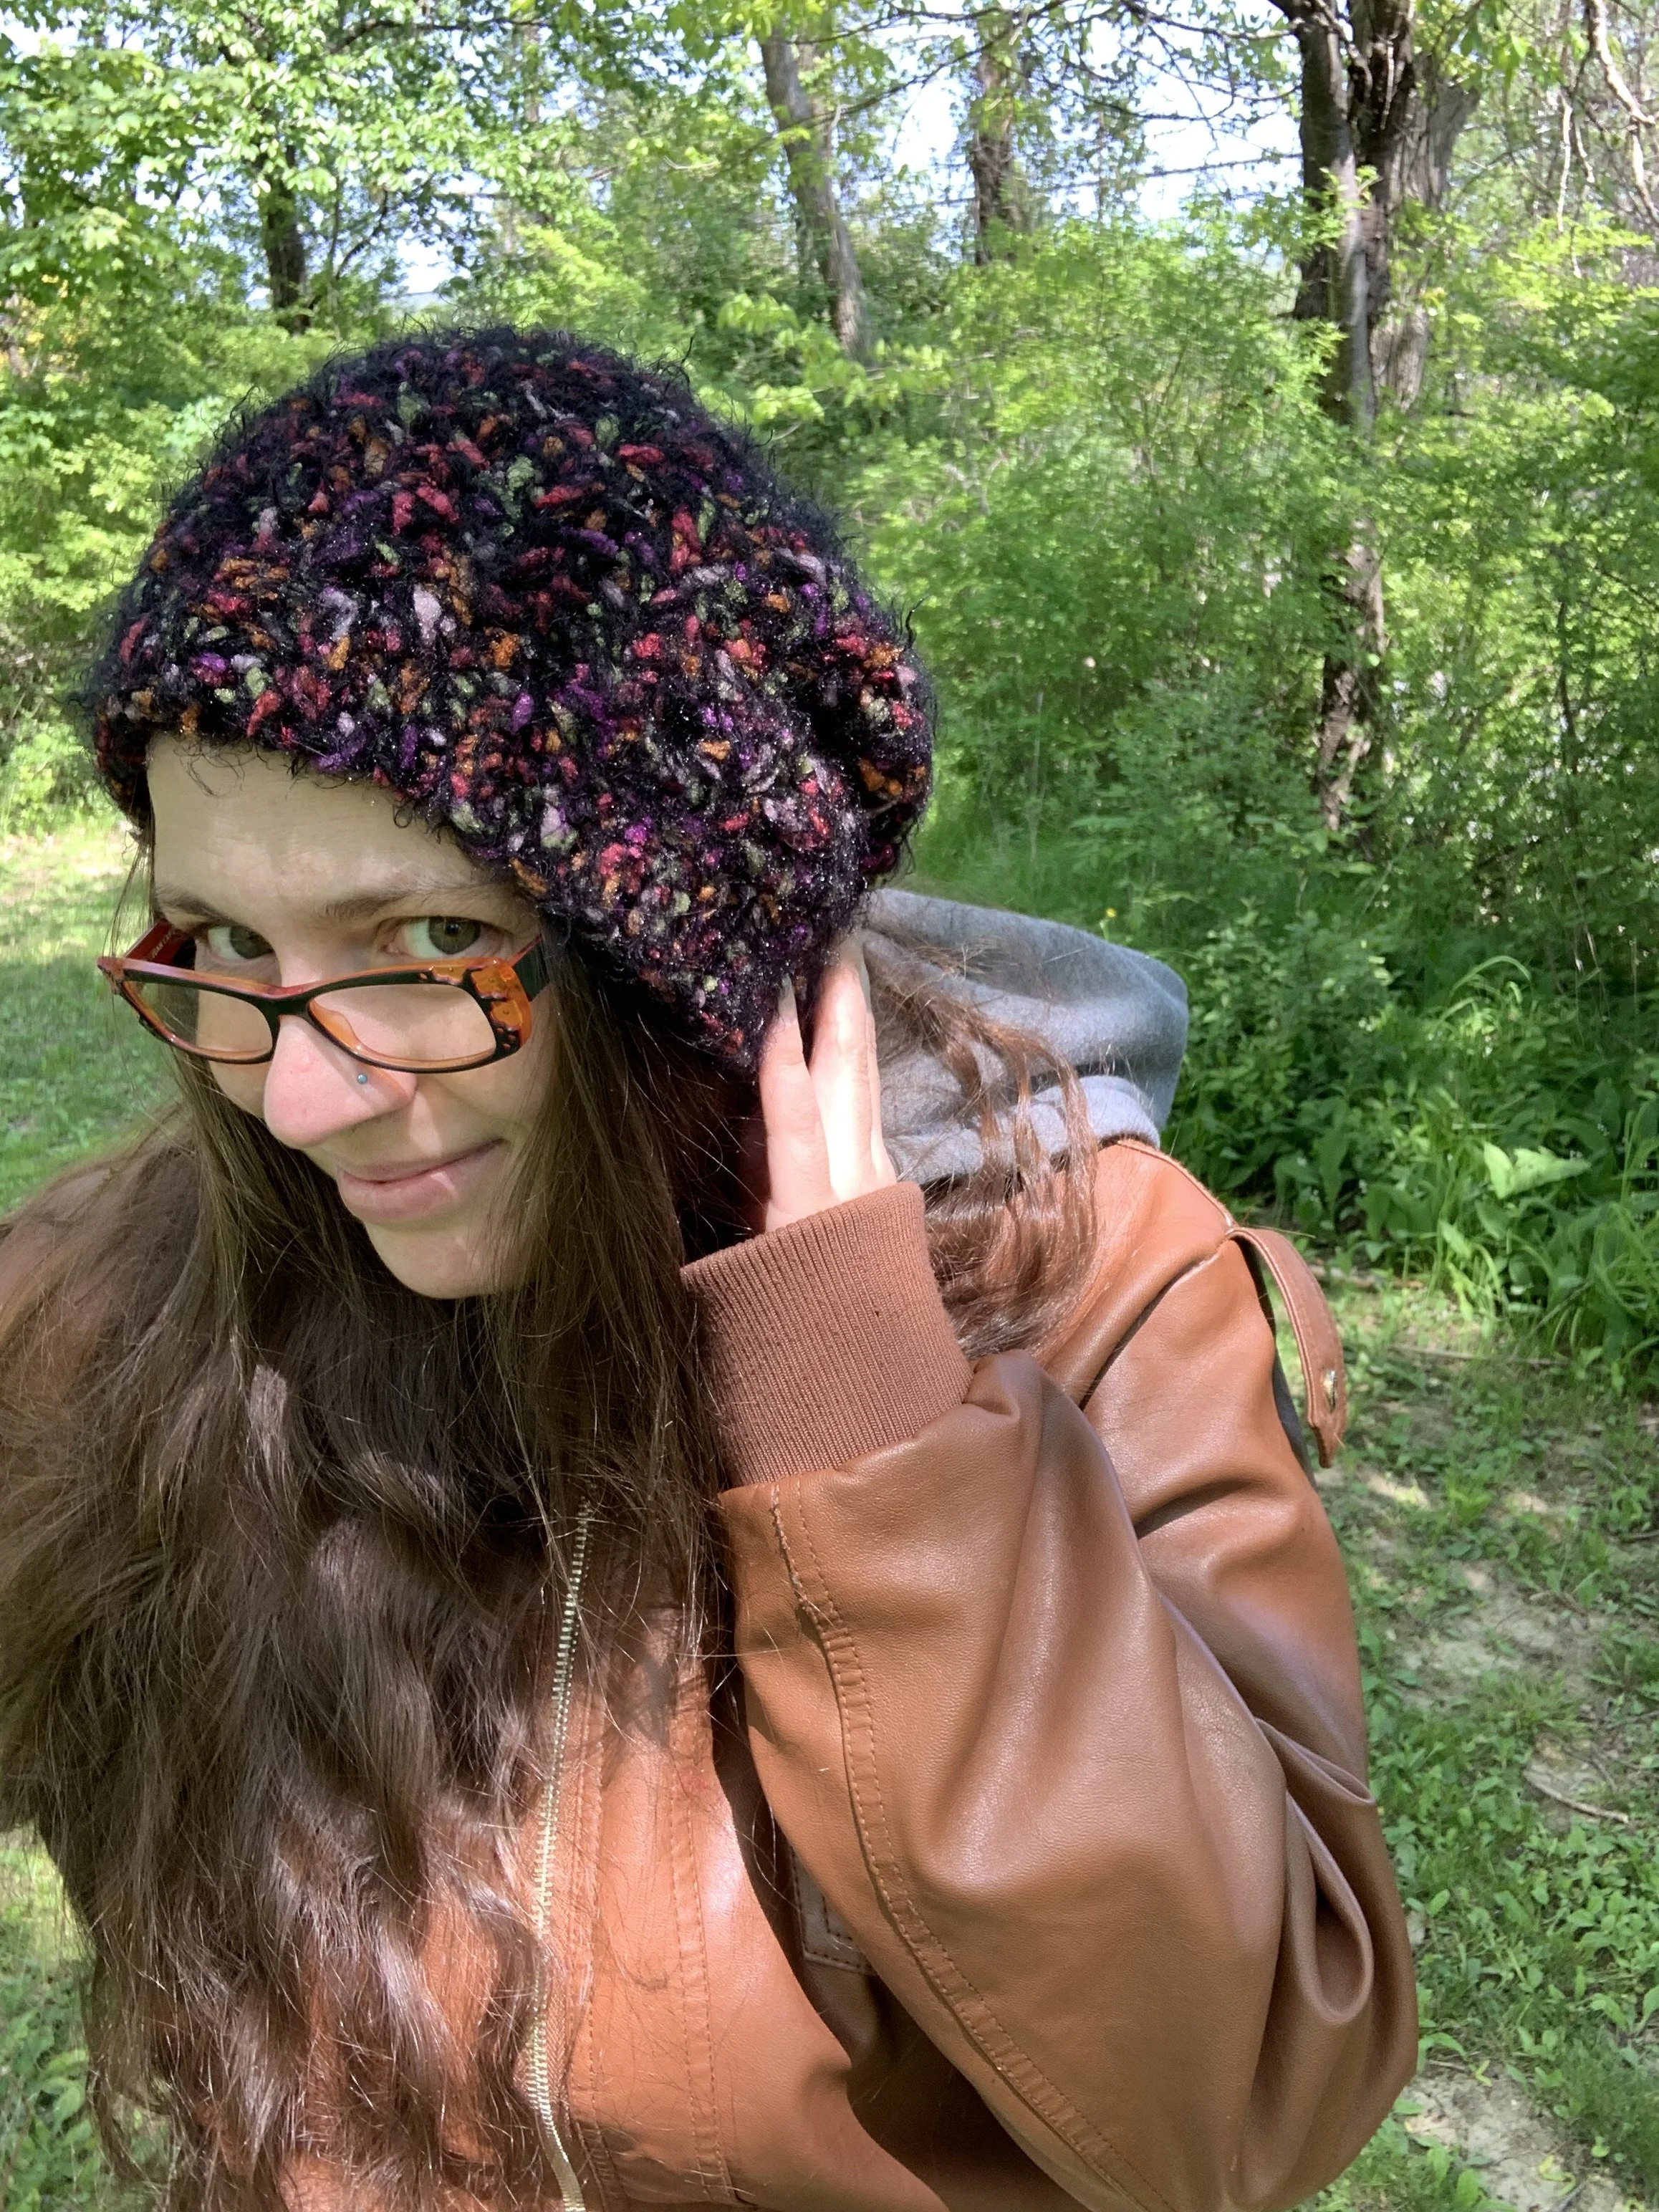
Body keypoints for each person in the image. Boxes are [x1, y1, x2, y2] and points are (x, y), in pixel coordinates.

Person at [0, 329, 1415, 2212]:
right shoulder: (112, 1302)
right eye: (230, 946)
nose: (307, 1098)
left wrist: (872, 1445)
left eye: (430, 937)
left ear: (692, 962)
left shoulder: (1085, 1286)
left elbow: (1239, 2107)